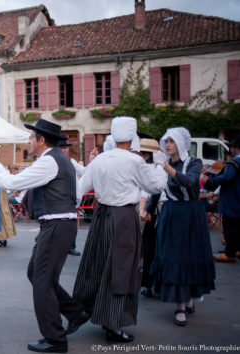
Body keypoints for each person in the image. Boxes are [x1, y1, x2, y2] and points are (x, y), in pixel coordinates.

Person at [0, 119, 87, 353]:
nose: (29, 140)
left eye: (32, 137)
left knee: (41, 281)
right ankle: (75, 312)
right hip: (58, 224)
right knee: (37, 273)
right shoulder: (59, 160)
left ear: (41, 140)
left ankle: (55, 339)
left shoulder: (50, 161)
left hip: (57, 225)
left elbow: (14, 182)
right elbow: (77, 194)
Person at [73, 117, 167, 343]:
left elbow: (80, 189)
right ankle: (113, 324)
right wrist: (160, 166)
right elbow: (155, 185)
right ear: (133, 136)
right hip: (123, 217)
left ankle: (90, 311)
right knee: (121, 269)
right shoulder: (134, 161)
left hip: (101, 218)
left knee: (99, 266)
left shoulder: (101, 159)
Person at [150, 127, 216, 327]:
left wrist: (165, 167)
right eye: (166, 141)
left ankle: (188, 297)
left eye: (171, 141)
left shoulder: (194, 163)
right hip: (171, 214)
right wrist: (148, 210)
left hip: (191, 214)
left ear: (180, 143)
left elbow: (189, 181)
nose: (167, 144)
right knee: (175, 257)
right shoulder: (165, 164)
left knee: (190, 256)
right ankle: (180, 305)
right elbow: (156, 189)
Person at [202, 135, 240, 262]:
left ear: (235, 148)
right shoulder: (230, 163)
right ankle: (236, 249)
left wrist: (210, 181)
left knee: (230, 226)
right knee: (236, 226)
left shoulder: (235, 162)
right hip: (236, 199)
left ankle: (230, 253)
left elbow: (227, 178)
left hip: (232, 199)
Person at [137, 138, 162, 298]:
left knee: (148, 249)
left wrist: (144, 209)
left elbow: (148, 191)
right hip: (156, 210)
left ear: (145, 154)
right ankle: (154, 283)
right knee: (154, 249)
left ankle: (148, 283)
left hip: (151, 211)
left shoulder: (147, 168)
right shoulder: (159, 167)